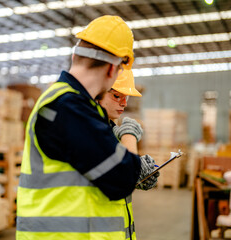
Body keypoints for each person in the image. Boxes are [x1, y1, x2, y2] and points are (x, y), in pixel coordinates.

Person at [16, 15, 159, 240]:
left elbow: (91, 173)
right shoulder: (69, 108)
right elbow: (122, 178)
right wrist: (129, 135)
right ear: (113, 70)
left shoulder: (65, 103)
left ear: (75, 56)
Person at [97, 69, 159, 239]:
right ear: (97, 93)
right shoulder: (92, 132)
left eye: (126, 97)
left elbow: (115, 176)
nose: (124, 103)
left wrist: (140, 173)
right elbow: (123, 175)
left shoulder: (111, 132)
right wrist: (129, 136)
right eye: (117, 96)